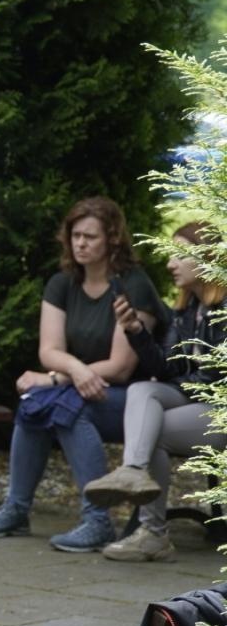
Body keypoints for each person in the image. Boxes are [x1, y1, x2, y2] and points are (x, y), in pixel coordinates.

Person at [0, 197, 164, 552]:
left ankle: (98, 520)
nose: (81, 243)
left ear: (112, 239)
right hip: (81, 388)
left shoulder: (132, 285)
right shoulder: (63, 284)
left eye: (90, 236)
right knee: (33, 403)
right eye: (76, 235)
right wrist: (73, 370)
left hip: (136, 400)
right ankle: (17, 508)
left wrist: (57, 377)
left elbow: (121, 366)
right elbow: (50, 351)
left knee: (70, 408)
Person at [87, 221, 226, 562]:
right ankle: (134, 473)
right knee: (141, 390)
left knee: (151, 430)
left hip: (219, 408)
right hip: (194, 399)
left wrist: (176, 384)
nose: (169, 263)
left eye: (179, 254)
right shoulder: (186, 311)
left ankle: (153, 532)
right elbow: (166, 368)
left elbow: (215, 381)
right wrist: (135, 330)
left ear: (207, 256)